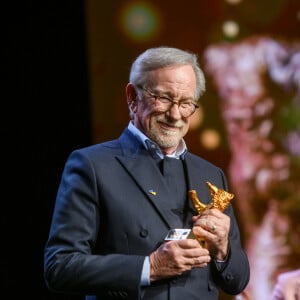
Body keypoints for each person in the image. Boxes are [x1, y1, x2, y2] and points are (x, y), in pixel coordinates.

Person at [44, 46, 250, 300]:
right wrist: (149, 268)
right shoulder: (93, 165)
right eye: (163, 98)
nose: (175, 115)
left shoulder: (211, 174)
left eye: (185, 103)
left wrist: (223, 249)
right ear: (132, 96)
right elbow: (60, 266)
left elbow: (238, 281)